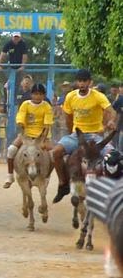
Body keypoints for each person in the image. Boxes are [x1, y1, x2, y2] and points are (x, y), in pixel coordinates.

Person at [50, 69, 118, 203]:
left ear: (90, 82)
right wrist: (71, 134)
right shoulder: (70, 96)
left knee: (113, 156)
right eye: (79, 81)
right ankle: (63, 184)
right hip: (77, 135)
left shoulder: (98, 96)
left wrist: (111, 121)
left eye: (84, 81)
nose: (81, 84)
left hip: (95, 137)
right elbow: (68, 117)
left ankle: (112, 189)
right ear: (77, 82)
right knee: (56, 152)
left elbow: (111, 111)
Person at [3, 83, 54, 188]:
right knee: (11, 150)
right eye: (35, 94)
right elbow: (21, 119)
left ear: (44, 96)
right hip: (26, 135)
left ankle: (47, 176)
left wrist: (42, 140)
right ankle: (10, 175)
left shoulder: (46, 106)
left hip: (42, 136)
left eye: (40, 94)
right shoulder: (25, 104)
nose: (37, 96)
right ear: (31, 94)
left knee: (54, 155)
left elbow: (47, 125)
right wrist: (22, 130)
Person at [0, 32, 28, 103]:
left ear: (20, 38)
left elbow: (24, 56)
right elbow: (3, 54)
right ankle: (6, 96)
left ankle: (14, 99)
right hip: (10, 66)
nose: (16, 38)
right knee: (7, 83)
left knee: (17, 82)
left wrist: (22, 66)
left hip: (19, 67)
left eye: (17, 37)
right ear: (12, 37)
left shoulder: (23, 44)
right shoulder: (9, 44)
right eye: (15, 37)